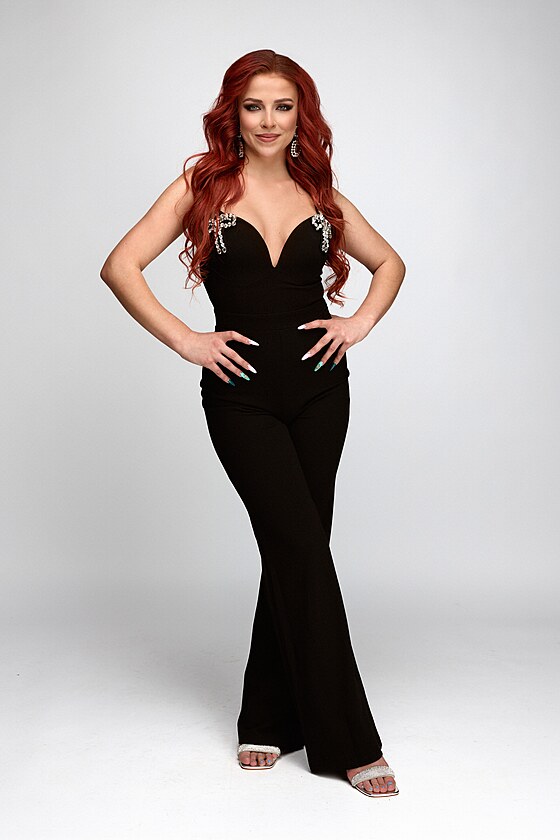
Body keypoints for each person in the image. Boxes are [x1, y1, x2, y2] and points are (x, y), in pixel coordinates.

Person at [100, 49, 406, 798]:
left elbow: (390, 264)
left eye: (283, 106)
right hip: (240, 399)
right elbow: (120, 265)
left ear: (302, 116)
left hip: (322, 395)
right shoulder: (200, 189)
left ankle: (265, 714)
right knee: (300, 548)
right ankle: (348, 742)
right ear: (232, 115)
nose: (269, 120)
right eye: (254, 106)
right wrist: (186, 339)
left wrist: (359, 322)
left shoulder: (320, 194)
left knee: (296, 549)